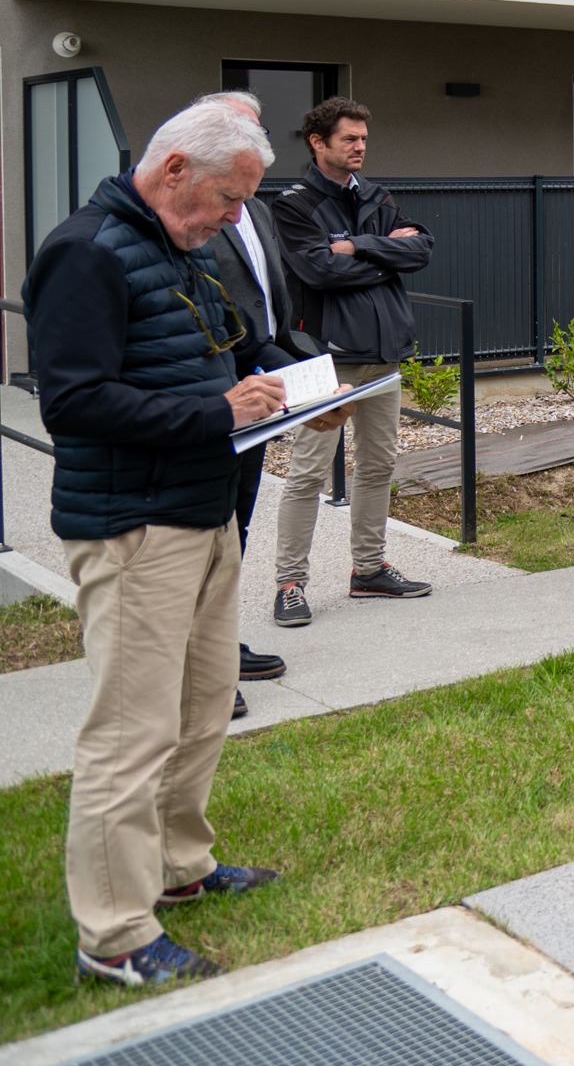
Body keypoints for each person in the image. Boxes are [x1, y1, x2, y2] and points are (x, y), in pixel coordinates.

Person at [30, 99, 349, 987]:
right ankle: (114, 933)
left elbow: (217, 355)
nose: (232, 218)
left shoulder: (179, 245)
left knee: (203, 703)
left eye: (242, 201)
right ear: (174, 170)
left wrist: (285, 388)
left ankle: (178, 866)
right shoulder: (85, 252)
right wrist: (215, 412)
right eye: (224, 198)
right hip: (134, 527)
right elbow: (74, 401)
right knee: (130, 731)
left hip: (204, 512)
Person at [267, 98, 432, 627]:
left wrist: (357, 246)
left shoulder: (376, 195)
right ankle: (290, 583)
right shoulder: (292, 205)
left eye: (363, 138)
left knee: (378, 466)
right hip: (325, 359)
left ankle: (368, 570)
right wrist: (385, 254)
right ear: (318, 143)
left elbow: (422, 250)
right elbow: (316, 273)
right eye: (349, 139)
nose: (360, 147)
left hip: (384, 355)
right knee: (308, 473)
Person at [201, 91, 320, 717]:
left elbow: (271, 302)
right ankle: (204, 664)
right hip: (219, 390)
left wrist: (298, 372)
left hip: (263, 377)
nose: (254, 148)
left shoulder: (260, 211)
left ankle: (221, 642)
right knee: (209, 531)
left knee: (237, 522)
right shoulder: (199, 216)